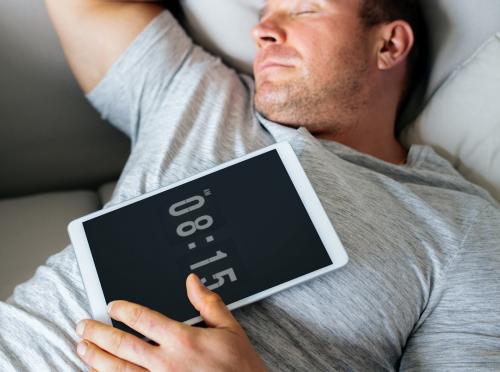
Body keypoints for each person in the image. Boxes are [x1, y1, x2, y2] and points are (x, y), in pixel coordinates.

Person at [1, 0, 499, 370]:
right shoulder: (201, 91)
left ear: (388, 44)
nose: (263, 29)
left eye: (303, 9)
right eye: (264, 11)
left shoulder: (460, 225)